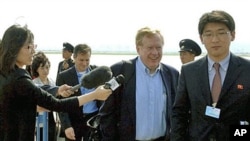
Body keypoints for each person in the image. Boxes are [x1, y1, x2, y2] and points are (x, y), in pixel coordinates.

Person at [0, 24, 112, 141]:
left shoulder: (6, 74)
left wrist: (57, 90)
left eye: (33, 46)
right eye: (29, 47)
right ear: (14, 48)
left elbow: (29, 93)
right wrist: (94, 95)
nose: (33, 51)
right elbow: (57, 104)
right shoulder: (20, 79)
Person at [171, 10, 250, 141]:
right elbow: (179, 113)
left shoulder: (247, 69)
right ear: (201, 38)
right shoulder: (188, 71)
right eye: (208, 34)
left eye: (221, 33)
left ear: (233, 35)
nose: (215, 39)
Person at [99, 27, 179, 141]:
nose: (155, 52)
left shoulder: (172, 74)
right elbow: (107, 114)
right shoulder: (120, 71)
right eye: (150, 48)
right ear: (138, 49)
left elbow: (177, 113)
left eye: (158, 47)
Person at [56, 44, 100, 141]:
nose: (84, 63)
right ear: (74, 57)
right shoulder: (64, 76)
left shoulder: (98, 72)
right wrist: (66, 126)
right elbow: (60, 104)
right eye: (81, 60)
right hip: (74, 121)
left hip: (93, 120)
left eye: (87, 60)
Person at [31, 51, 58, 141]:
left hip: (51, 115)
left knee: (52, 136)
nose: (45, 71)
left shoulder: (52, 81)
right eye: (42, 68)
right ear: (37, 69)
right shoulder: (33, 83)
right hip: (39, 115)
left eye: (47, 67)